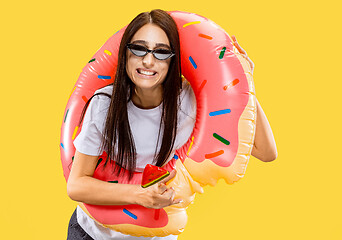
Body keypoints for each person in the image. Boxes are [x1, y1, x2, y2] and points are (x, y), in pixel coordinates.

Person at [66, 9, 277, 240]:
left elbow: (266, 152)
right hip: (94, 233)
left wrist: (242, 82)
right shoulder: (105, 104)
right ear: (125, 54)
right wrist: (139, 195)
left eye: (161, 52)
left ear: (172, 60)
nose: (148, 60)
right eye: (138, 49)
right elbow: (76, 185)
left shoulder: (190, 103)